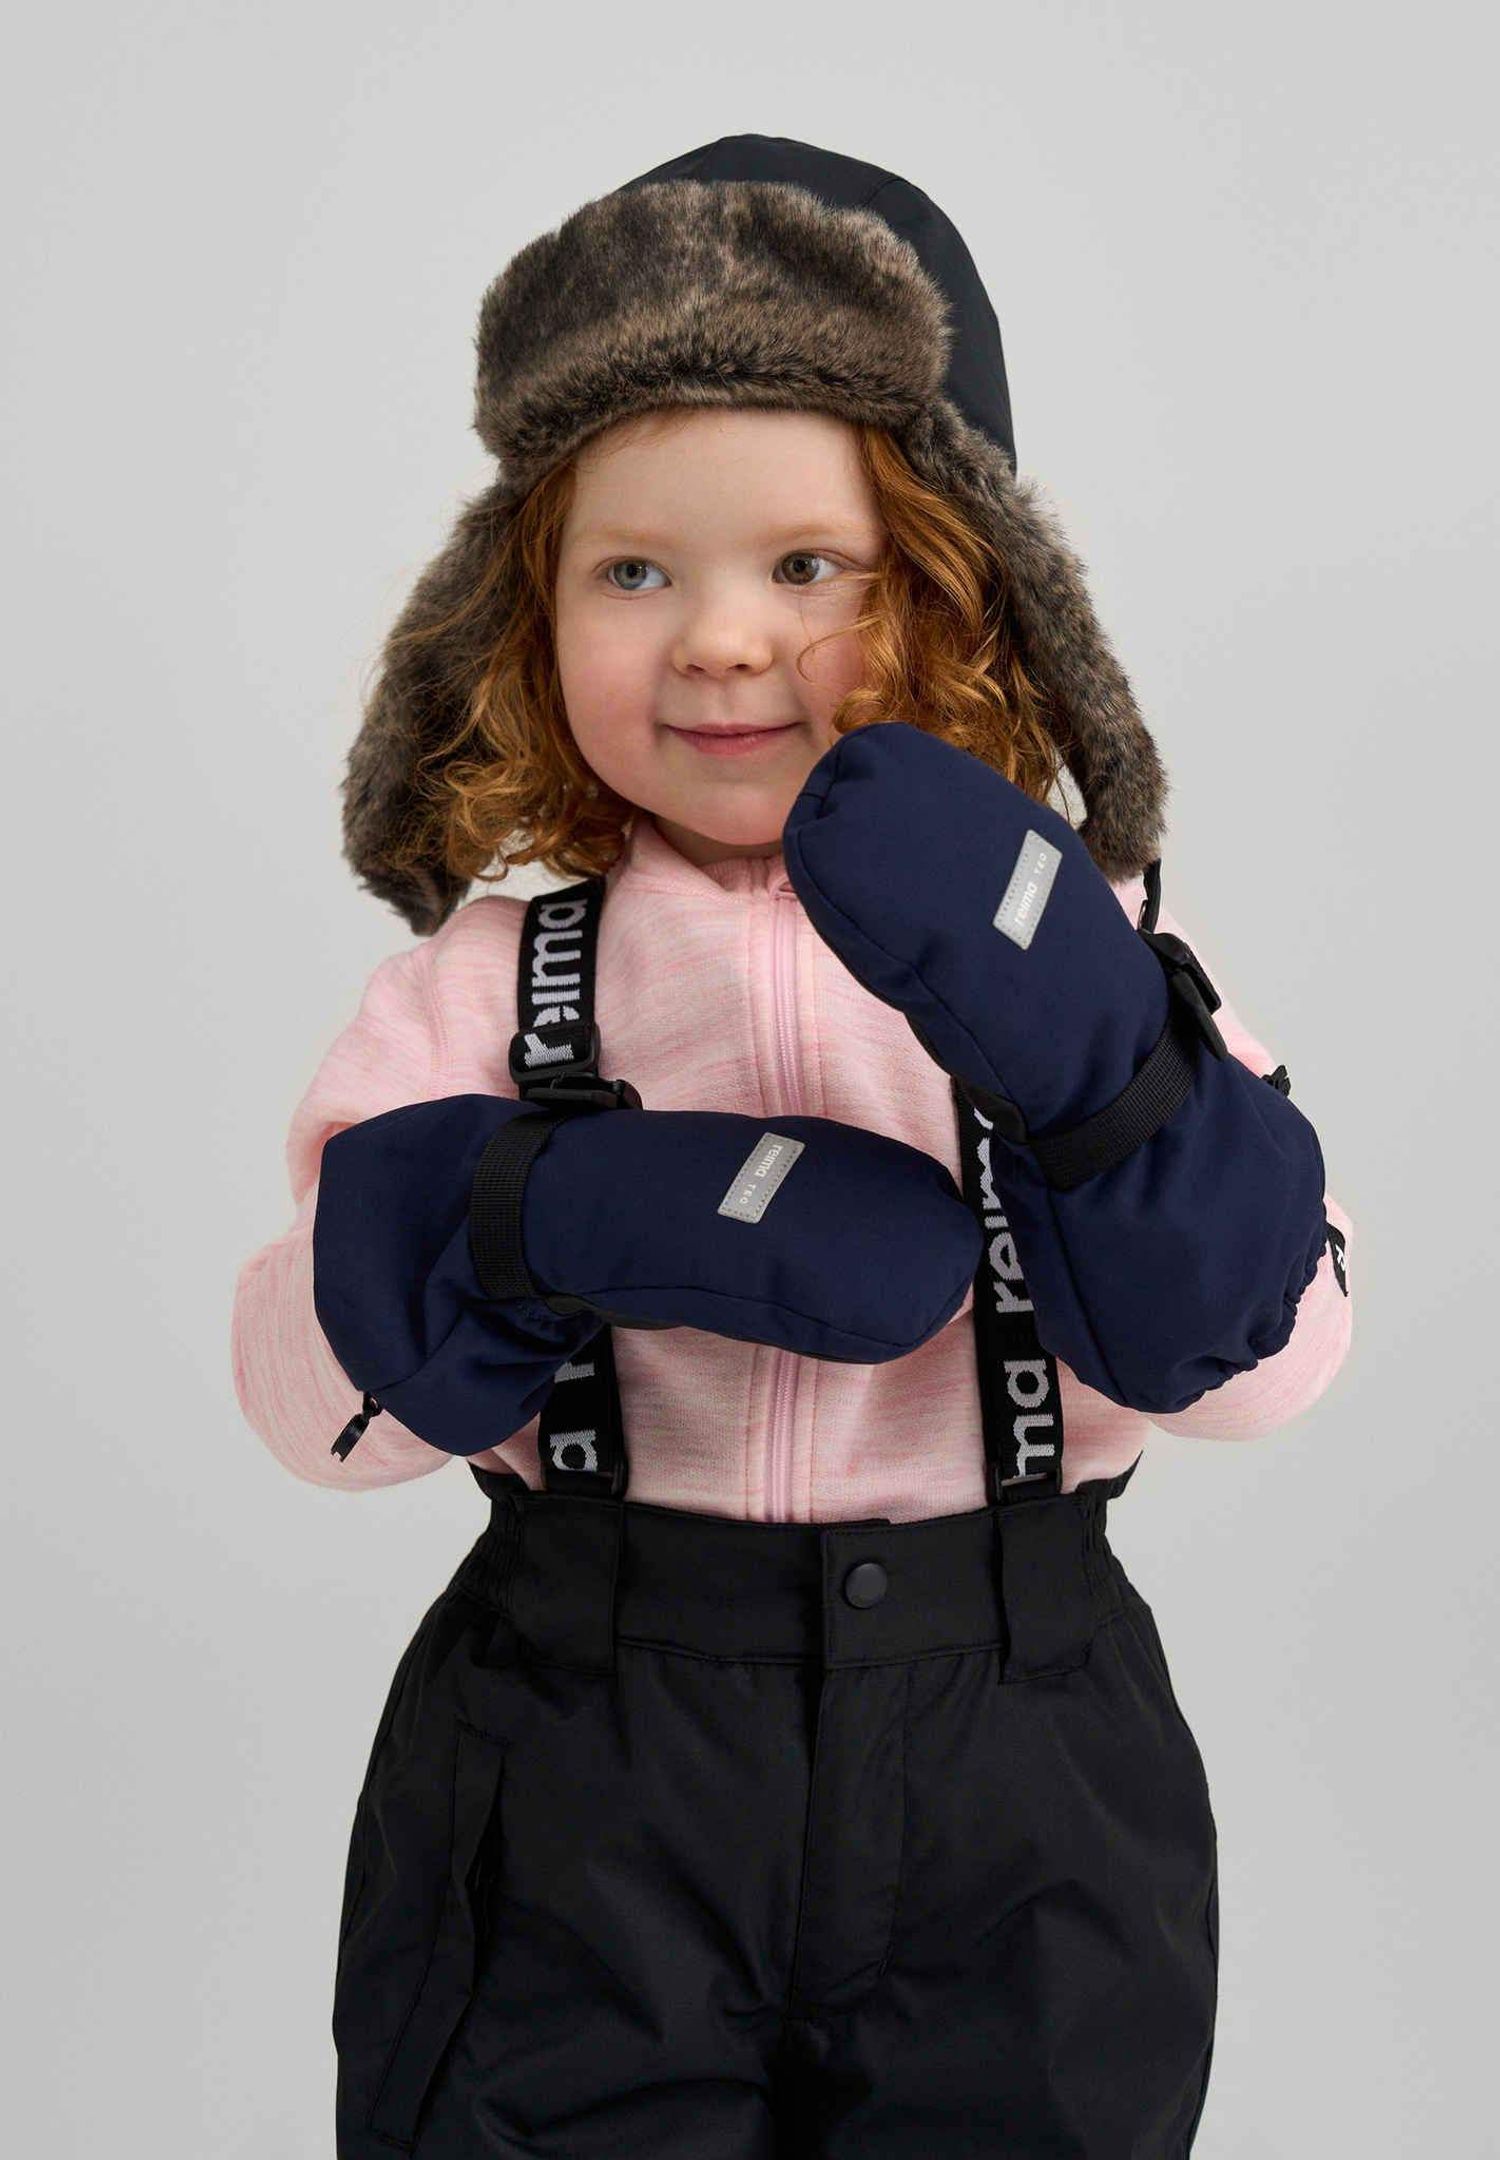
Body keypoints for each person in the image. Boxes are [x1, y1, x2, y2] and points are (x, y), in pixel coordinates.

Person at [231, 134, 1355, 2158]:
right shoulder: (498, 979)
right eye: (633, 572)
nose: (722, 639)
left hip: (1020, 1759)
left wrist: (1111, 1079)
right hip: (582, 1758)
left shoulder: (1092, 942)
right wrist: (536, 1211)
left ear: (957, 576)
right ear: (519, 608)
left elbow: (1275, 1372)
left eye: (806, 567)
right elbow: (311, 1409)